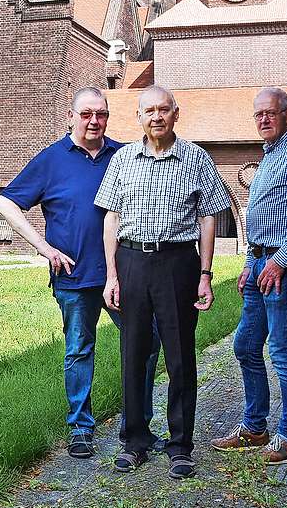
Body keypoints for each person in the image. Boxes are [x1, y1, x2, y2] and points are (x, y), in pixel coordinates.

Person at [0, 86, 160, 460]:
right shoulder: (52, 159)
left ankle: (137, 427)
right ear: (71, 116)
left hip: (124, 274)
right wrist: (44, 247)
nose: (94, 121)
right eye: (86, 114)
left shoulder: (124, 155)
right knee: (79, 350)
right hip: (73, 276)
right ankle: (81, 429)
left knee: (146, 345)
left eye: (100, 114)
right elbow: (7, 203)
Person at [95, 85, 230, 480]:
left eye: (164, 110)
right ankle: (134, 441)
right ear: (138, 116)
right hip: (132, 260)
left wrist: (205, 274)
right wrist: (112, 275)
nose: (157, 116)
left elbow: (209, 217)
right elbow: (111, 219)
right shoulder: (121, 159)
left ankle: (180, 445)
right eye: (149, 110)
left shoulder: (196, 158)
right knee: (133, 354)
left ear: (176, 113)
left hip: (177, 264)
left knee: (180, 358)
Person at [210, 86, 287, 465]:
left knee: (282, 350)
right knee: (245, 345)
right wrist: (249, 263)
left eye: (270, 113)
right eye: (258, 114)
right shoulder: (267, 158)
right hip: (260, 263)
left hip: (283, 267)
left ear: (286, 114)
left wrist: (279, 261)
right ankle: (255, 428)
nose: (263, 119)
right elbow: (260, 220)